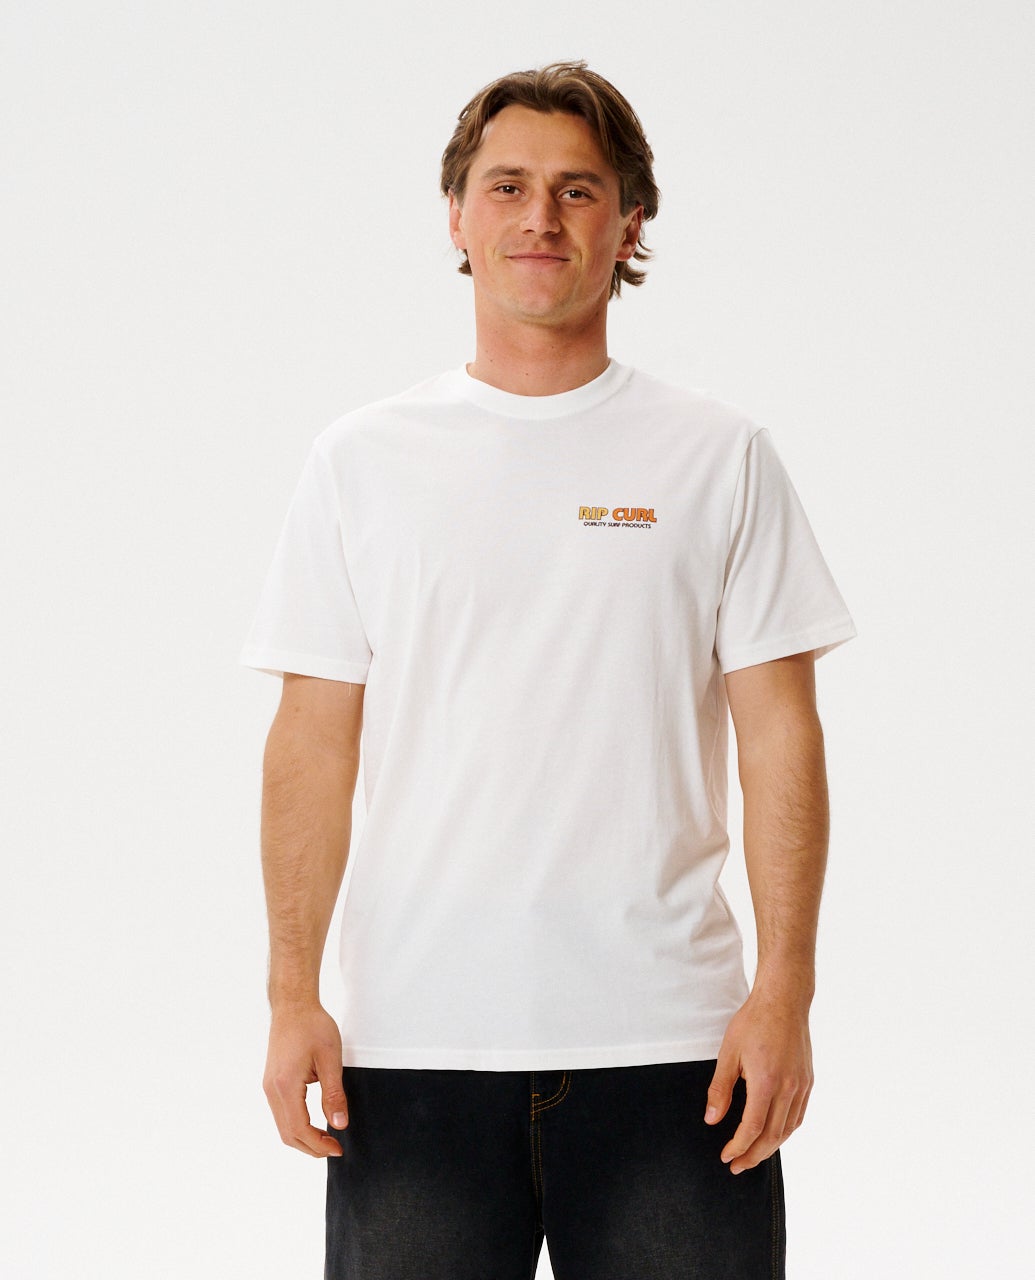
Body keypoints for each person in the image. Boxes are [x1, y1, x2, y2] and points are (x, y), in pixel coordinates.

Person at [241, 60, 856, 1280]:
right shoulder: (360, 462)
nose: (540, 217)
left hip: (676, 1050)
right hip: (415, 1044)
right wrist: (291, 994)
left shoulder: (718, 456)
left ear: (630, 224)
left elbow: (781, 734)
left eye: (579, 190)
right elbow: (311, 740)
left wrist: (785, 991)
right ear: (457, 217)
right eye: (508, 186)